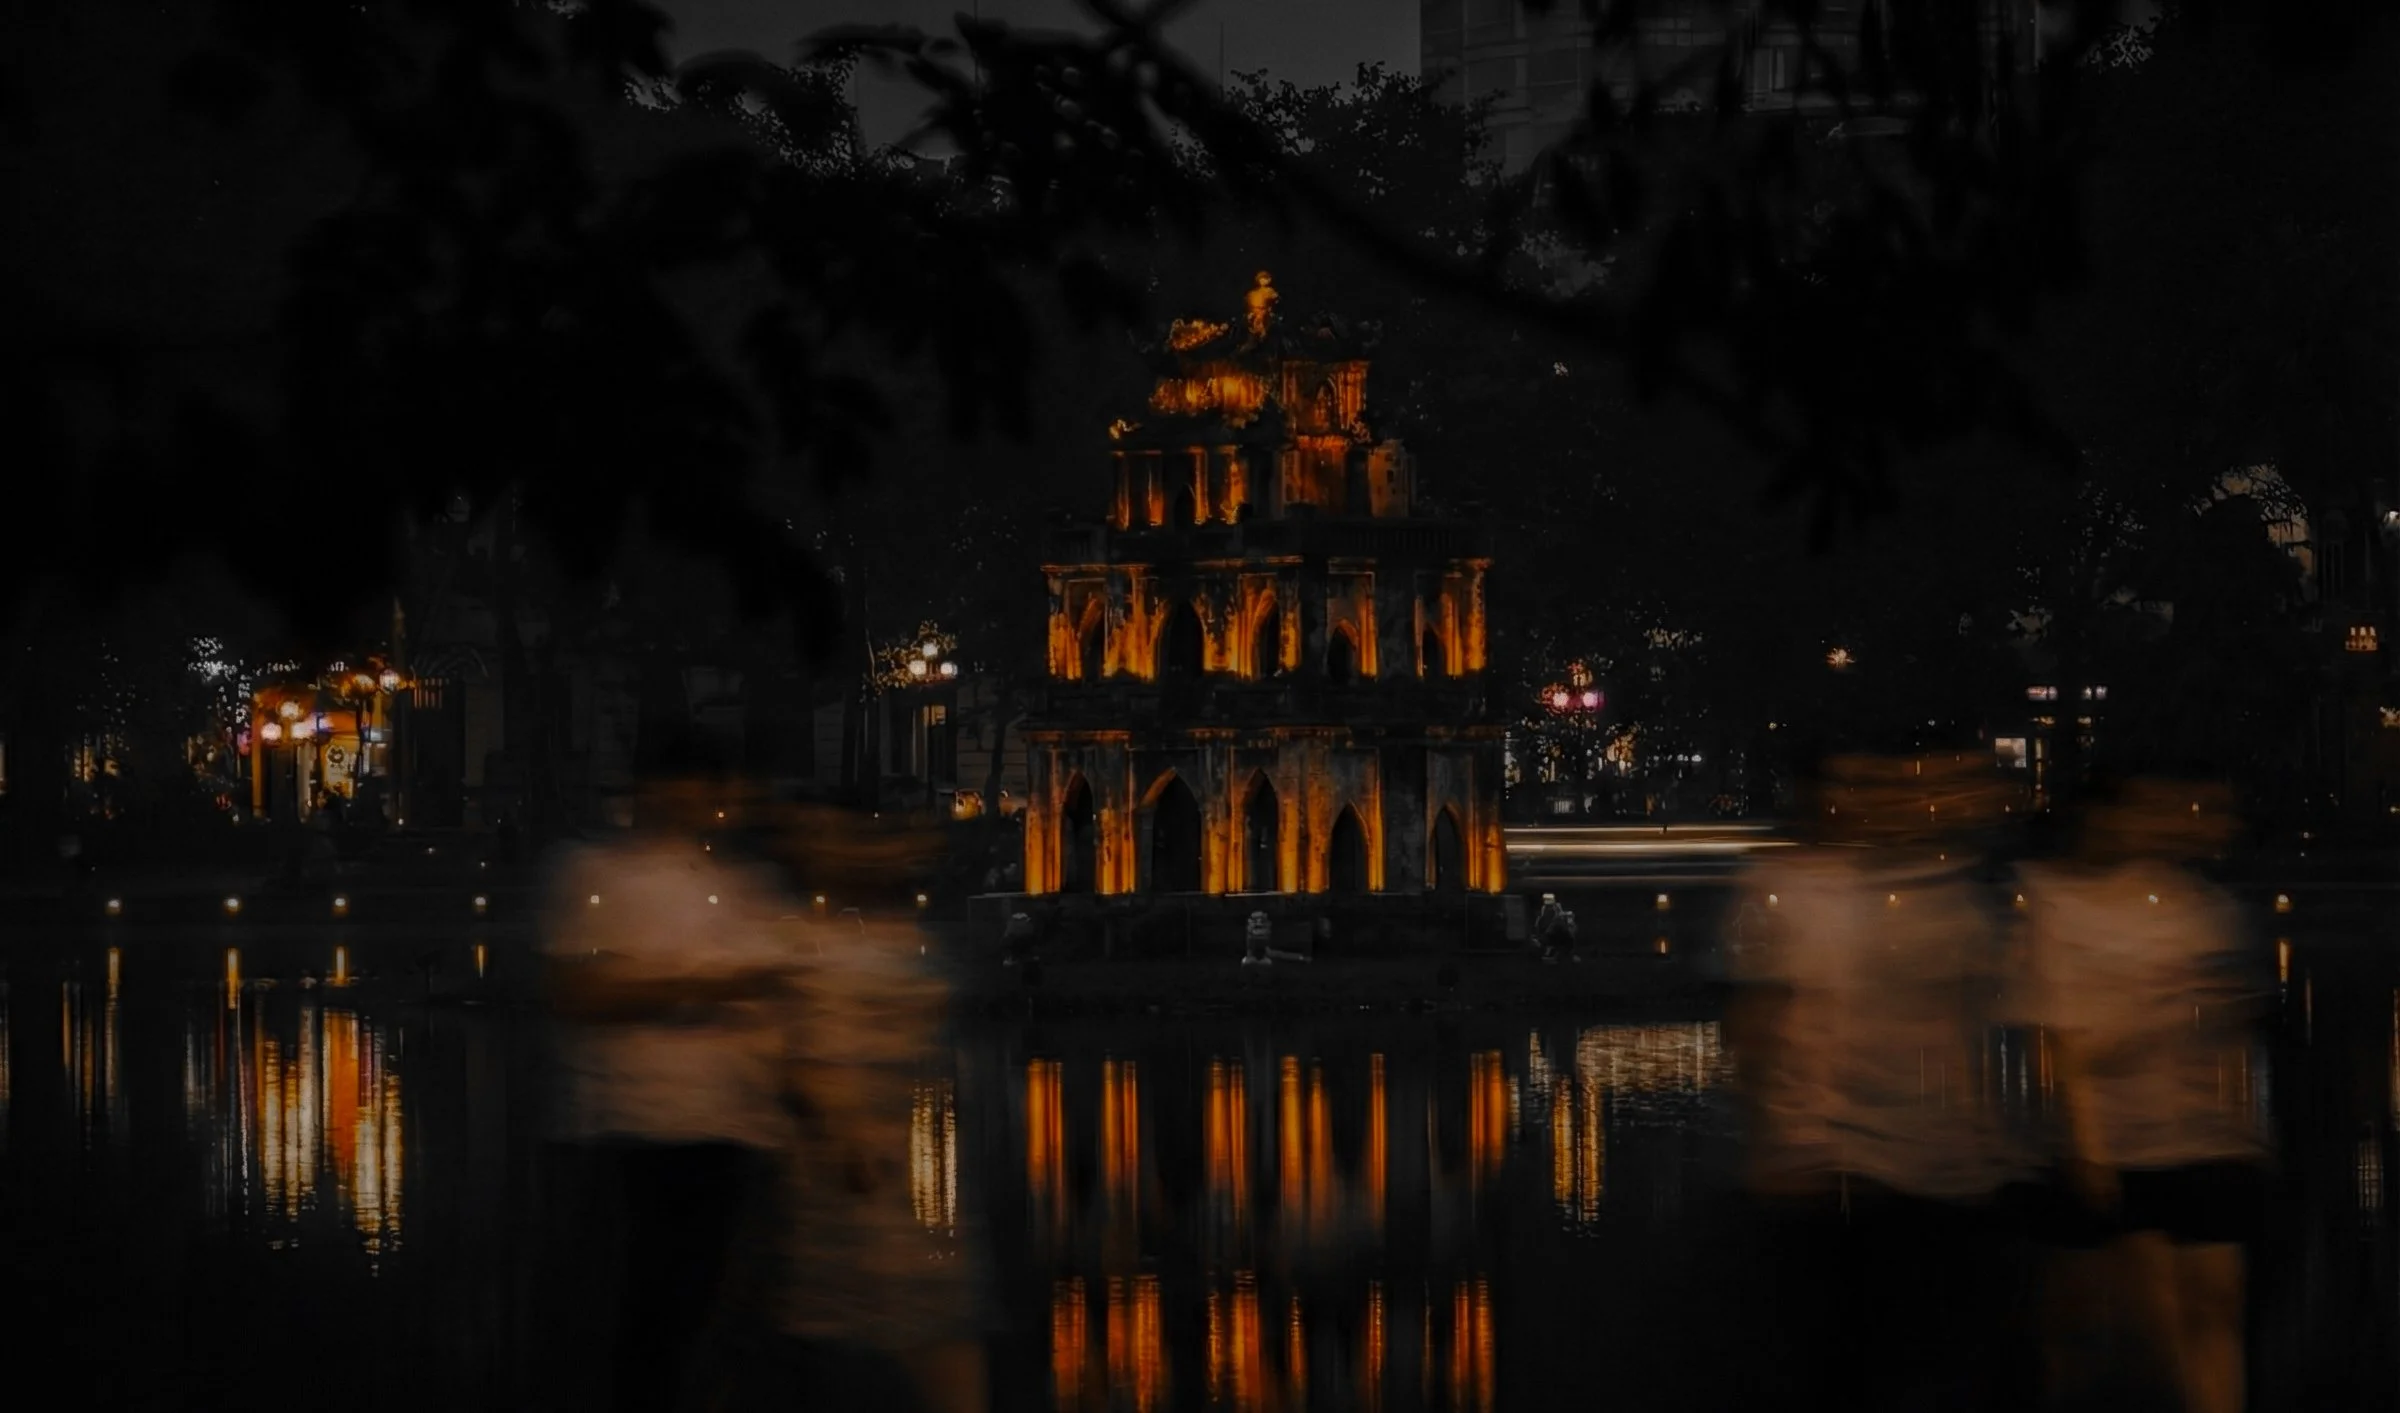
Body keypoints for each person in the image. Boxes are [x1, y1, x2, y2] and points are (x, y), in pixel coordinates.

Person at [536, 742, 796, 1412]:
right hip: (632, 1128)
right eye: (679, 788)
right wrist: (705, 983)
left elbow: (778, 998)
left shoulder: (740, 884)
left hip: (728, 1127)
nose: (697, 804)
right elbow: (580, 993)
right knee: (642, 1315)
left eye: (706, 789)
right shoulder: (599, 874)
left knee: (712, 1309)